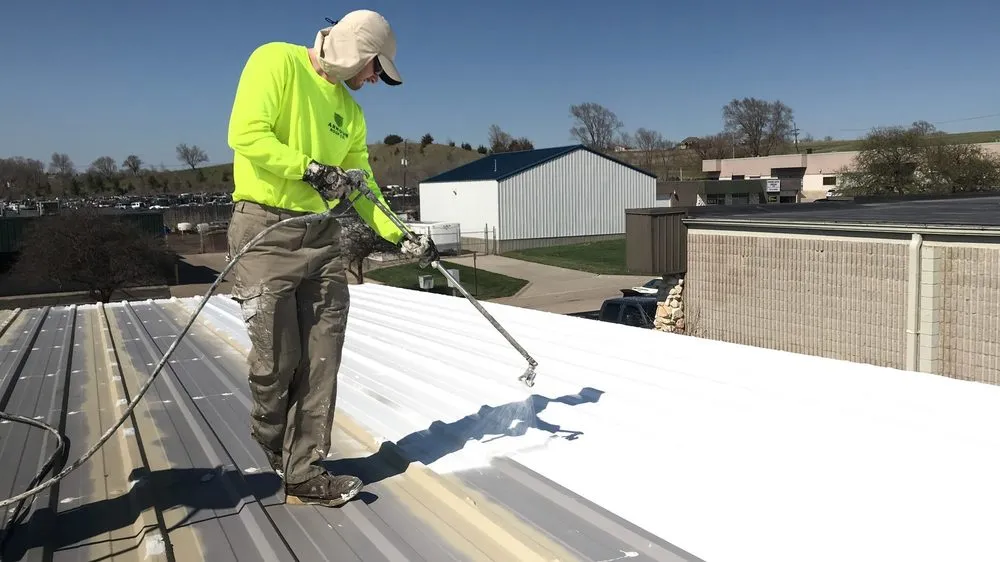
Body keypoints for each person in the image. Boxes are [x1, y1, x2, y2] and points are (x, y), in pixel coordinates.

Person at [225, 9, 438, 507]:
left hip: (320, 237)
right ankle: (270, 433)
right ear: (355, 52)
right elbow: (247, 134)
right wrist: (310, 169)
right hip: (264, 229)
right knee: (277, 362)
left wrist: (401, 235)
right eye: (373, 69)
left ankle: (305, 471)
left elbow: (362, 188)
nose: (373, 80)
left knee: (322, 356)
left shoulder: (351, 112)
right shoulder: (275, 62)